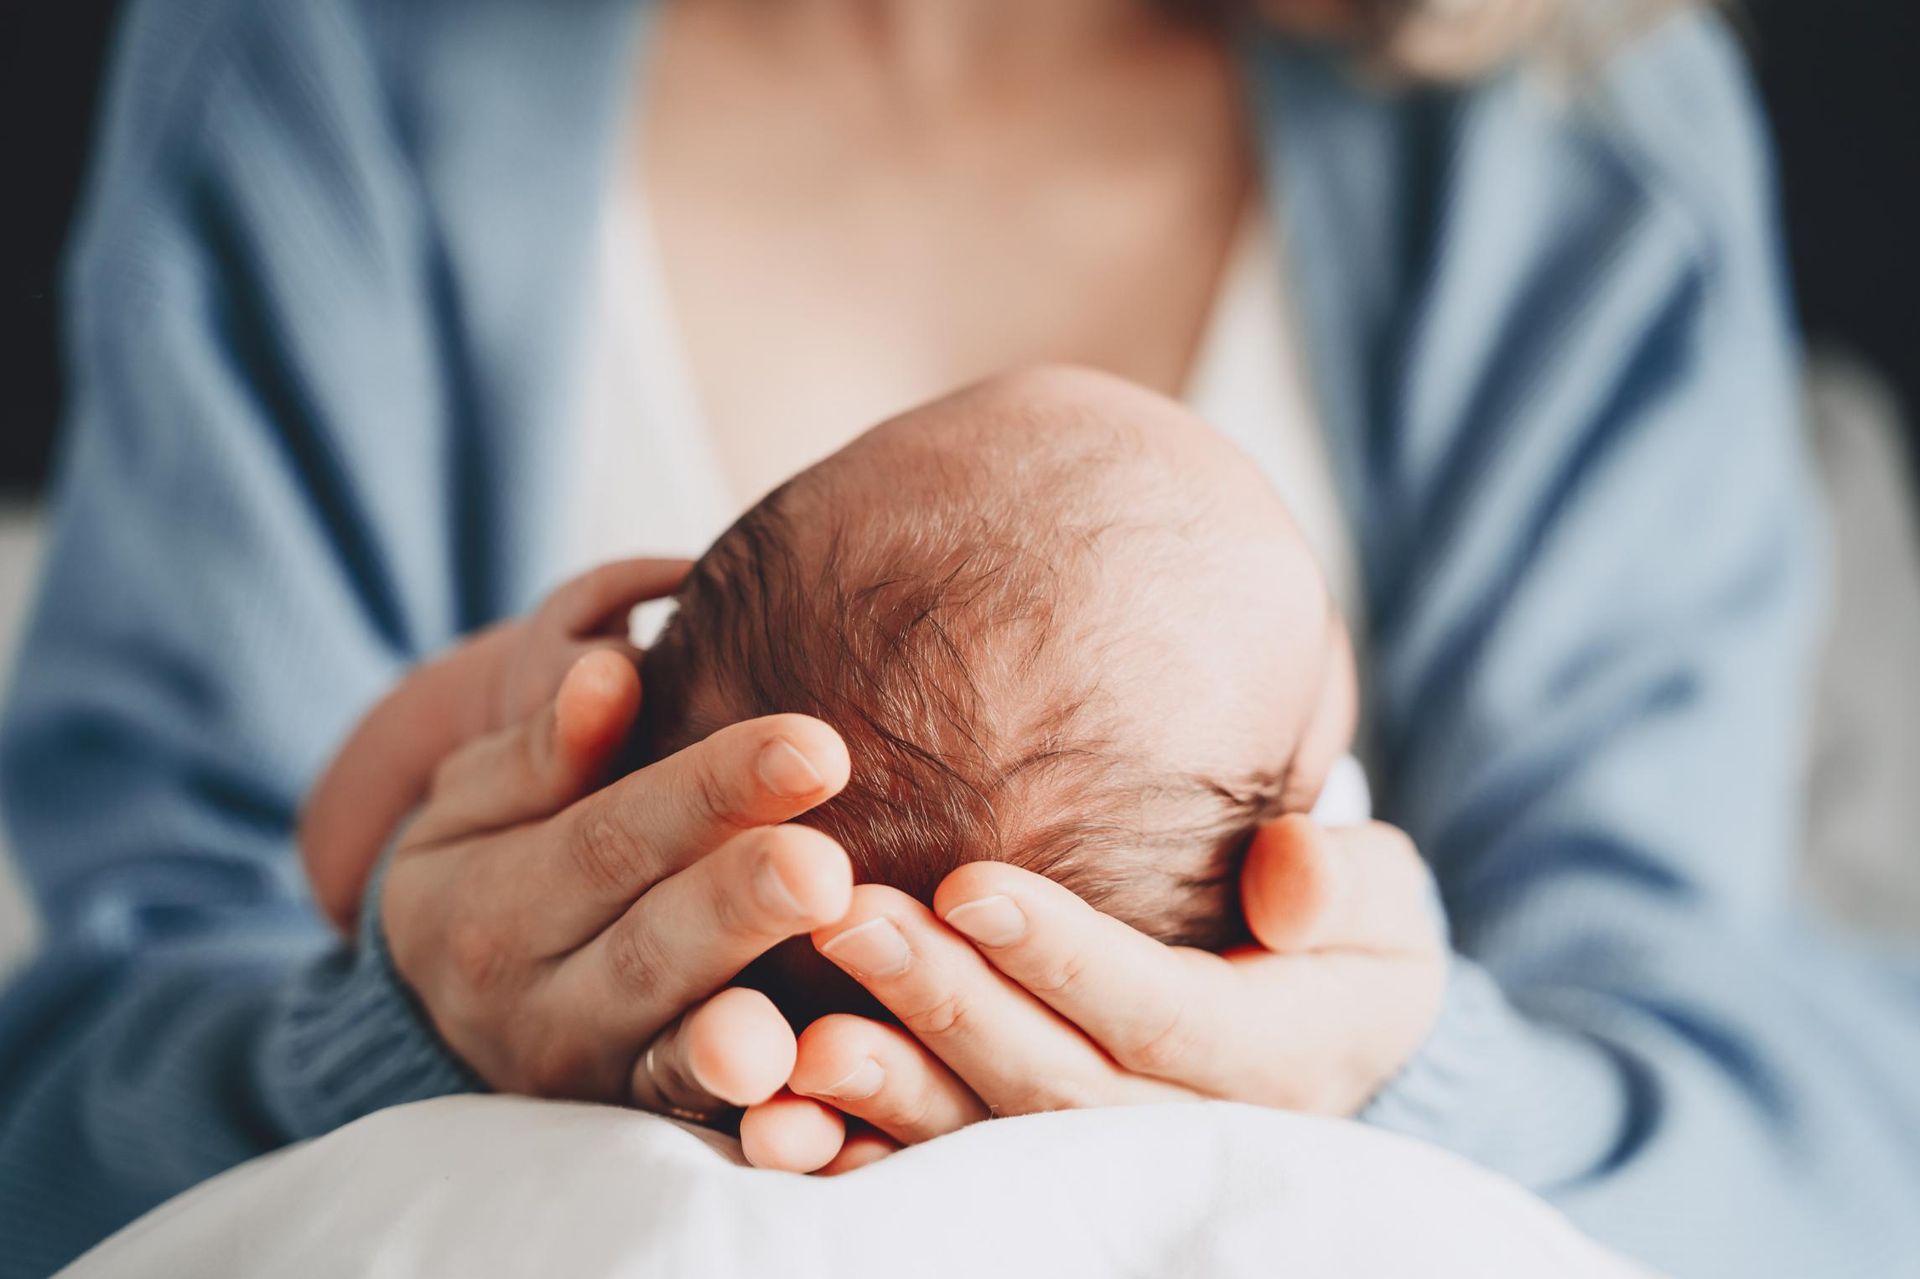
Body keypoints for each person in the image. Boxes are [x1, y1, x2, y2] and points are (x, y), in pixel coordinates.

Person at [2, 0, 1918, 1275]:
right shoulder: (323, 54)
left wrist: (1404, 1075)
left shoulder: (1568, 129)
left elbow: (1800, 1134)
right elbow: (72, 1082)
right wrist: (408, 1012)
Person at [300, 370, 1372, 1152]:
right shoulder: (1310, 903)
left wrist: (509, 704)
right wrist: (1374, 1081)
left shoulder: (611, 829)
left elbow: (337, 863)